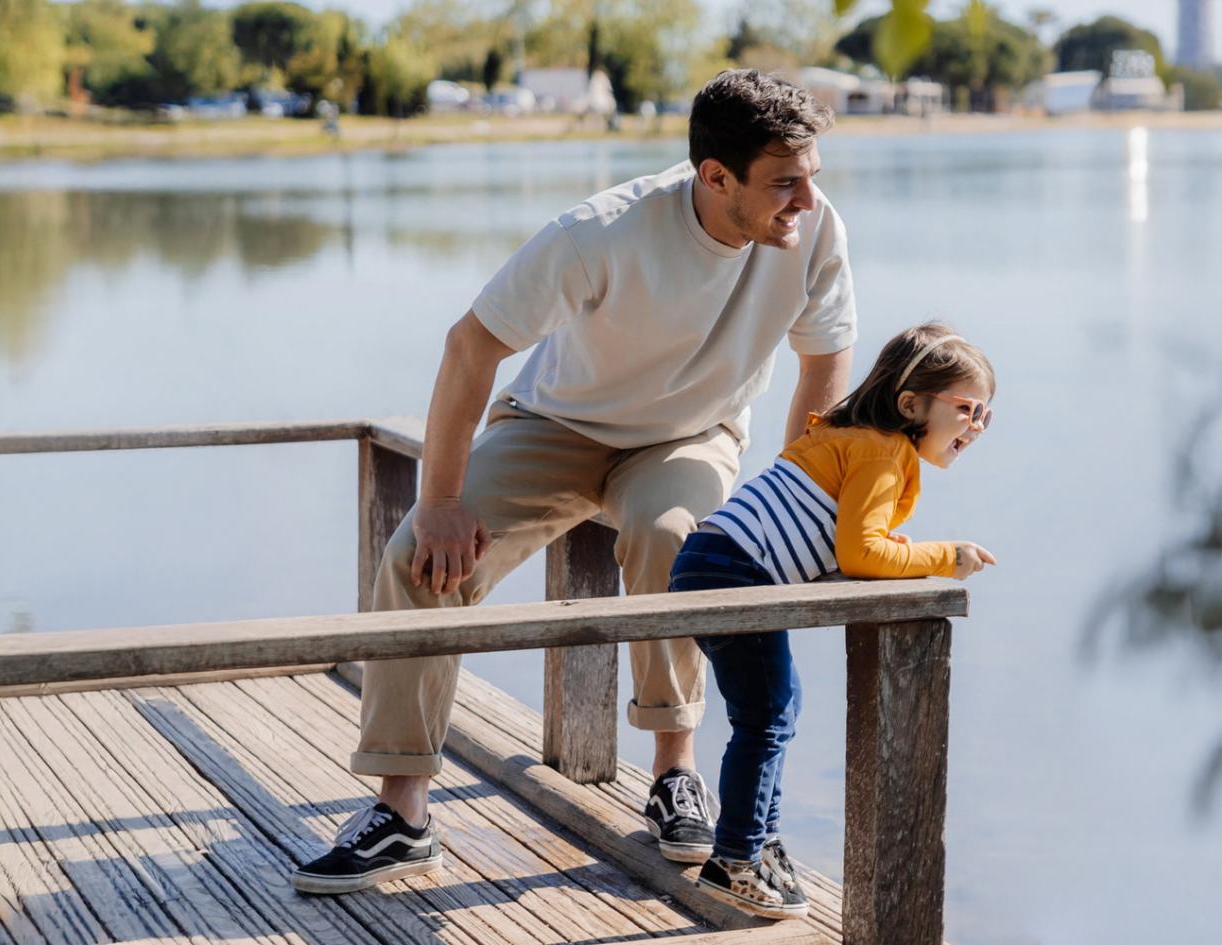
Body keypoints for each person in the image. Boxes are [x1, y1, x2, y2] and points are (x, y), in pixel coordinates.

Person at [290, 68, 857, 895]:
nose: (805, 200)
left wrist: (801, 508)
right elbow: (469, 346)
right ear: (715, 177)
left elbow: (826, 359)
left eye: (811, 177)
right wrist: (441, 500)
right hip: (554, 427)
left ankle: (674, 773)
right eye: (784, 183)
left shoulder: (814, 227)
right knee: (420, 558)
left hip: (689, 436)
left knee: (680, 543)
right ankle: (403, 811)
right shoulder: (602, 232)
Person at [668, 323, 998, 919]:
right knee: (766, 717)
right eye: (967, 409)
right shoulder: (882, 451)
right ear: (911, 404)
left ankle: (757, 845)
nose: (975, 427)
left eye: (986, 416)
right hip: (737, 570)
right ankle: (734, 859)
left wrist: (892, 548)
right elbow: (862, 553)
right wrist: (946, 557)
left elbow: (847, 538)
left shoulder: (852, 437)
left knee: (776, 708)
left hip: (713, 558)